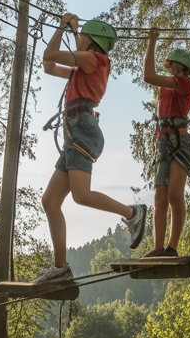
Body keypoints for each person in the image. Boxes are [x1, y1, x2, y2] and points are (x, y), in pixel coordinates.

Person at [36, 14, 148, 282]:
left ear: (93, 41)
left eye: (84, 35)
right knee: (50, 201)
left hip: (82, 130)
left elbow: (50, 52)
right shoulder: (84, 66)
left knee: (81, 195)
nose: (80, 37)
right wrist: (73, 32)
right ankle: (60, 268)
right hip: (76, 131)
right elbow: (48, 65)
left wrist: (63, 26)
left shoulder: (93, 60)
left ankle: (133, 213)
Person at [142, 31, 190, 258]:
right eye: (171, 65)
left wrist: (152, 42)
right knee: (160, 195)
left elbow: (148, 76)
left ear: (181, 68)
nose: (172, 68)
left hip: (180, 140)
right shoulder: (165, 87)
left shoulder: (184, 83)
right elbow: (154, 79)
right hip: (163, 140)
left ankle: (171, 247)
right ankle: (158, 247)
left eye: (175, 65)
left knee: (175, 194)